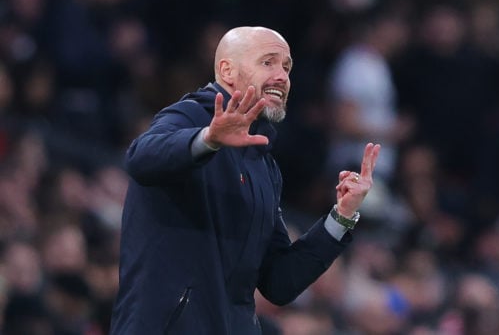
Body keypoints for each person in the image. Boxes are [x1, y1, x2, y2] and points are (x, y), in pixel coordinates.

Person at [110, 26, 380, 334]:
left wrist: (341, 217)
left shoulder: (264, 165)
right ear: (227, 70)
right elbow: (140, 157)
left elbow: (279, 283)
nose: (282, 76)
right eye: (268, 62)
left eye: (287, 67)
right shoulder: (192, 115)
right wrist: (208, 138)